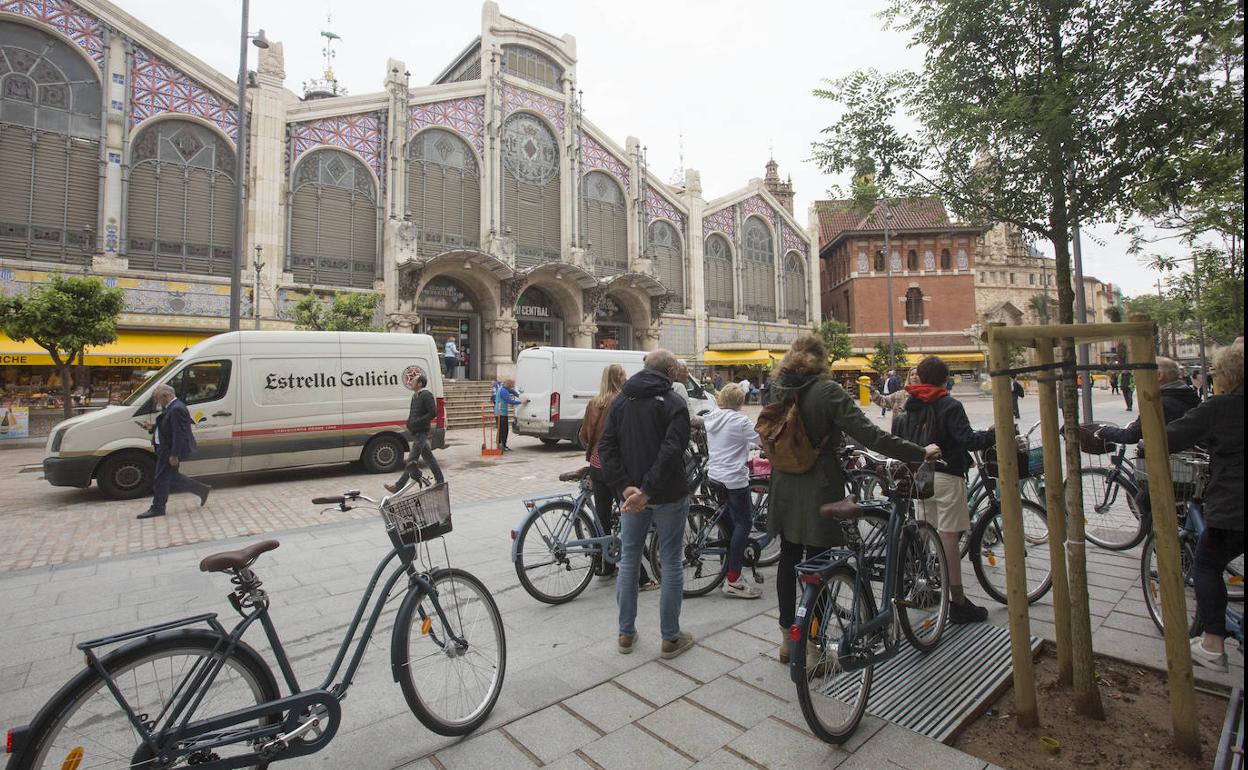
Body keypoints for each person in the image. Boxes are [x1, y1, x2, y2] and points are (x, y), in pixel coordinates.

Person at [768, 335, 939, 663]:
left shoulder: (778, 389)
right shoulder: (827, 392)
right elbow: (870, 435)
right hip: (818, 484)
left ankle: (788, 639)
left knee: (789, 559)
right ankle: (811, 645)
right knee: (818, 564)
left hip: (783, 483)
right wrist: (919, 452)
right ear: (821, 360)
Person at [598, 349, 695, 659]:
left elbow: (606, 447)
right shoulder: (675, 403)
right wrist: (645, 491)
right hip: (666, 494)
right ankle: (670, 638)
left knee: (628, 559)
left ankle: (625, 634)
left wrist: (626, 487)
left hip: (631, 498)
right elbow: (671, 451)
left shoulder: (621, 401)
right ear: (669, 371)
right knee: (670, 561)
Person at [896, 355, 996, 624]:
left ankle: (920, 587)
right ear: (945, 378)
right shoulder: (949, 404)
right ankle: (958, 602)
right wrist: (993, 435)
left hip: (920, 477)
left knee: (926, 534)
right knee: (949, 541)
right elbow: (967, 439)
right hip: (947, 476)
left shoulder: (910, 404)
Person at [1164, 346, 1243, 672]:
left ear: (1226, 375)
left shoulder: (1221, 407)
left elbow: (1170, 436)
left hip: (1234, 505)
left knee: (1207, 566)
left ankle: (1212, 643)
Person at [579, 365, 656, 590]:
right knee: (629, 517)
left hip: (596, 465)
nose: (626, 378)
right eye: (623, 375)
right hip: (615, 468)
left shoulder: (594, 402)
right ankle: (640, 577)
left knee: (602, 517)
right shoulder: (622, 401)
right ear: (618, 379)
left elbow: (583, 435)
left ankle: (606, 566)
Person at [702, 383, 761, 599]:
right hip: (734, 478)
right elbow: (761, 440)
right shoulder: (740, 420)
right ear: (741, 401)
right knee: (744, 523)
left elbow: (728, 441)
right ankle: (734, 578)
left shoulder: (712, 417)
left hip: (715, 475)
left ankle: (725, 567)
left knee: (726, 522)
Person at [137, 384, 210, 519]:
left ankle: (158, 508)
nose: (157, 402)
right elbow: (167, 427)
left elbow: (179, 434)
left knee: (160, 479)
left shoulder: (177, 408)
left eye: (158, 398)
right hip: (164, 448)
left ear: (166, 396)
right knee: (172, 477)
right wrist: (152, 427)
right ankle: (201, 489)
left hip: (169, 450)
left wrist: (174, 454)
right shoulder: (170, 407)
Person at [1096, 358, 1199, 447]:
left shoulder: (1159, 403)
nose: (1137, 378)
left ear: (1159, 375)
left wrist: (1103, 431)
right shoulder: (1187, 394)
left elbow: (1131, 435)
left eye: (1141, 374)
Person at [385, 373, 444, 493]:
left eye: (414, 380)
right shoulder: (415, 396)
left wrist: (417, 422)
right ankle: (440, 481)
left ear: (420, 383)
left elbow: (432, 413)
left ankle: (398, 486)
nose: (411, 382)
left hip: (421, 431)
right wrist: (409, 423)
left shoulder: (426, 395)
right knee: (429, 458)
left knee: (411, 462)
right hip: (415, 431)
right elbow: (413, 413)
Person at [493, 378, 521, 451]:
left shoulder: (505, 388)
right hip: (501, 413)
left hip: (501, 412)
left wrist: (519, 395)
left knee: (501, 429)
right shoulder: (503, 391)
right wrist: (521, 402)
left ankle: (499, 445)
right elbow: (509, 401)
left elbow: (513, 392)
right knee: (504, 430)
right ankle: (502, 445)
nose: (512, 387)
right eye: (511, 385)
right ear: (508, 384)